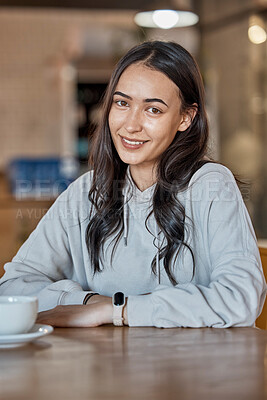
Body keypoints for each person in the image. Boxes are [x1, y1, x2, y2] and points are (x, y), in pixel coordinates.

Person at [0, 41, 266, 328]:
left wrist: (116, 310)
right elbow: (13, 286)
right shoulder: (86, 192)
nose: (131, 125)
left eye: (153, 110)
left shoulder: (211, 185)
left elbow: (241, 298)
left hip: (192, 368)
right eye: (122, 103)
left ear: (185, 118)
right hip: (108, 367)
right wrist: (87, 302)